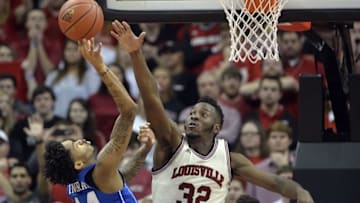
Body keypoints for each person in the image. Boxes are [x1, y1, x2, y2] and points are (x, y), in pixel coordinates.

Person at [111, 20, 314, 203]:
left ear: (216, 127)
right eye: (192, 113)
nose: (193, 117)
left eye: (202, 115)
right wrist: (135, 54)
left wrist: (301, 192)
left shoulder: (229, 158)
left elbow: (277, 184)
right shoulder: (172, 143)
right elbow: (152, 99)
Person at [41, 38, 152, 202]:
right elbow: (129, 111)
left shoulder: (74, 185)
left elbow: (121, 178)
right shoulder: (101, 169)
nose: (79, 140)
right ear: (78, 164)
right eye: (75, 145)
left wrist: (145, 149)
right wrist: (100, 67)